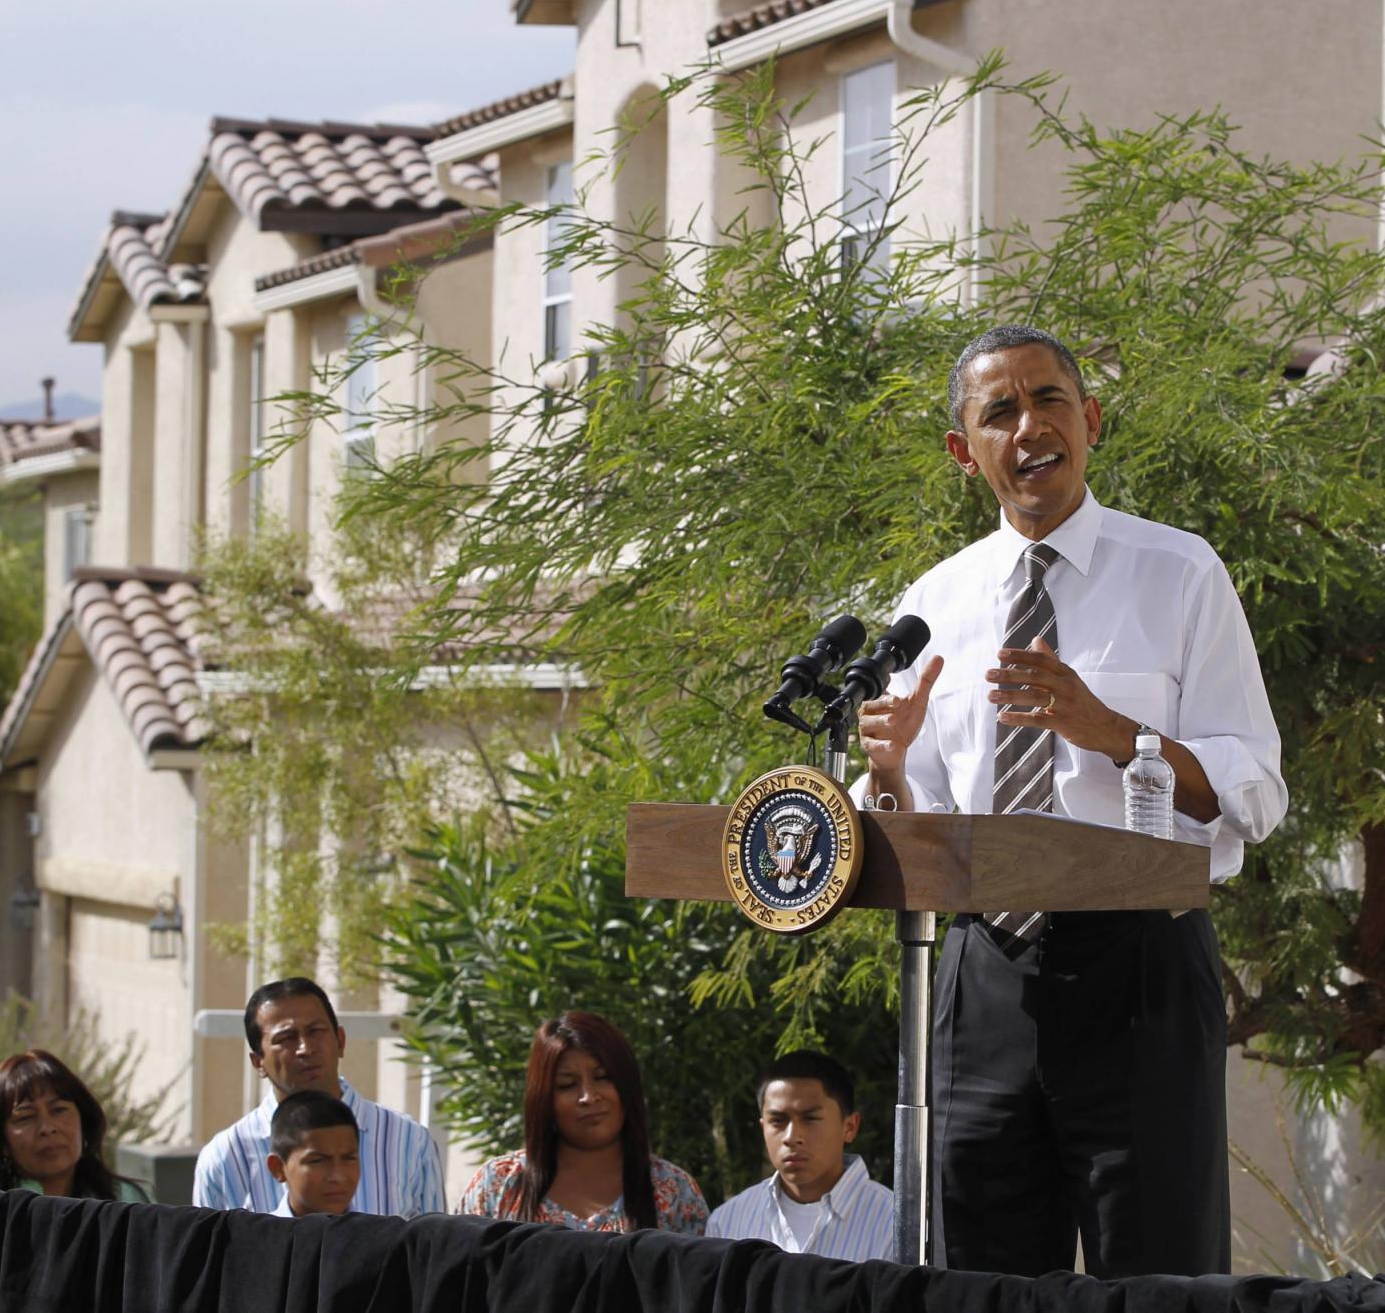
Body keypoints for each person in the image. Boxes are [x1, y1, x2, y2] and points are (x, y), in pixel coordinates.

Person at [855, 325, 1286, 1278]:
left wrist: (1116, 734)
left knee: (1160, 1280)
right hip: (978, 976)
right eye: (999, 412)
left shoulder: (1181, 574)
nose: (1030, 427)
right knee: (978, 1279)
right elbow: (910, 819)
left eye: (1049, 400)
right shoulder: (936, 602)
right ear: (966, 452)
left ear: (1089, 420)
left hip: (1136, 964)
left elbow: (1255, 788)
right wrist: (886, 771)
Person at [192, 976, 445, 1216]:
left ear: (341, 1041)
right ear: (258, 1062)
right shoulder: (224, 1158)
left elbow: (437, 1253)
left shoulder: (409, 1142)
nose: (305, 1048)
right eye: (286, 1038)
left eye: (316, 1031)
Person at [458, 1011, 708, 1234]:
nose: (588, 1096)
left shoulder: (673, 1192)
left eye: (603, 1077)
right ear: (543, 1099)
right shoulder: (498, 1185)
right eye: (567, 1085)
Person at [706, 1050, 895, 1260]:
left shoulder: (894, 1225)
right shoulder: (727, 1222)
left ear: (849, 1127)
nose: (792, 1136)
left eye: (810, 1119)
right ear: (763, 1127)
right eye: (777, 1121)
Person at [0, 1049, 149, 1202]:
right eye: (25, 1117)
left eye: (59, 1110)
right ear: (1, 1142)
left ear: (83, 1120)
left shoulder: (127, 1200)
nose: (47, 1128)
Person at [266, 1091, 362, 1217]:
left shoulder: (383, 1235)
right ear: (278, 1167)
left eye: (349, 1158)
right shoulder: (258, 1236)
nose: (338, 1176)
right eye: (317, 1161)